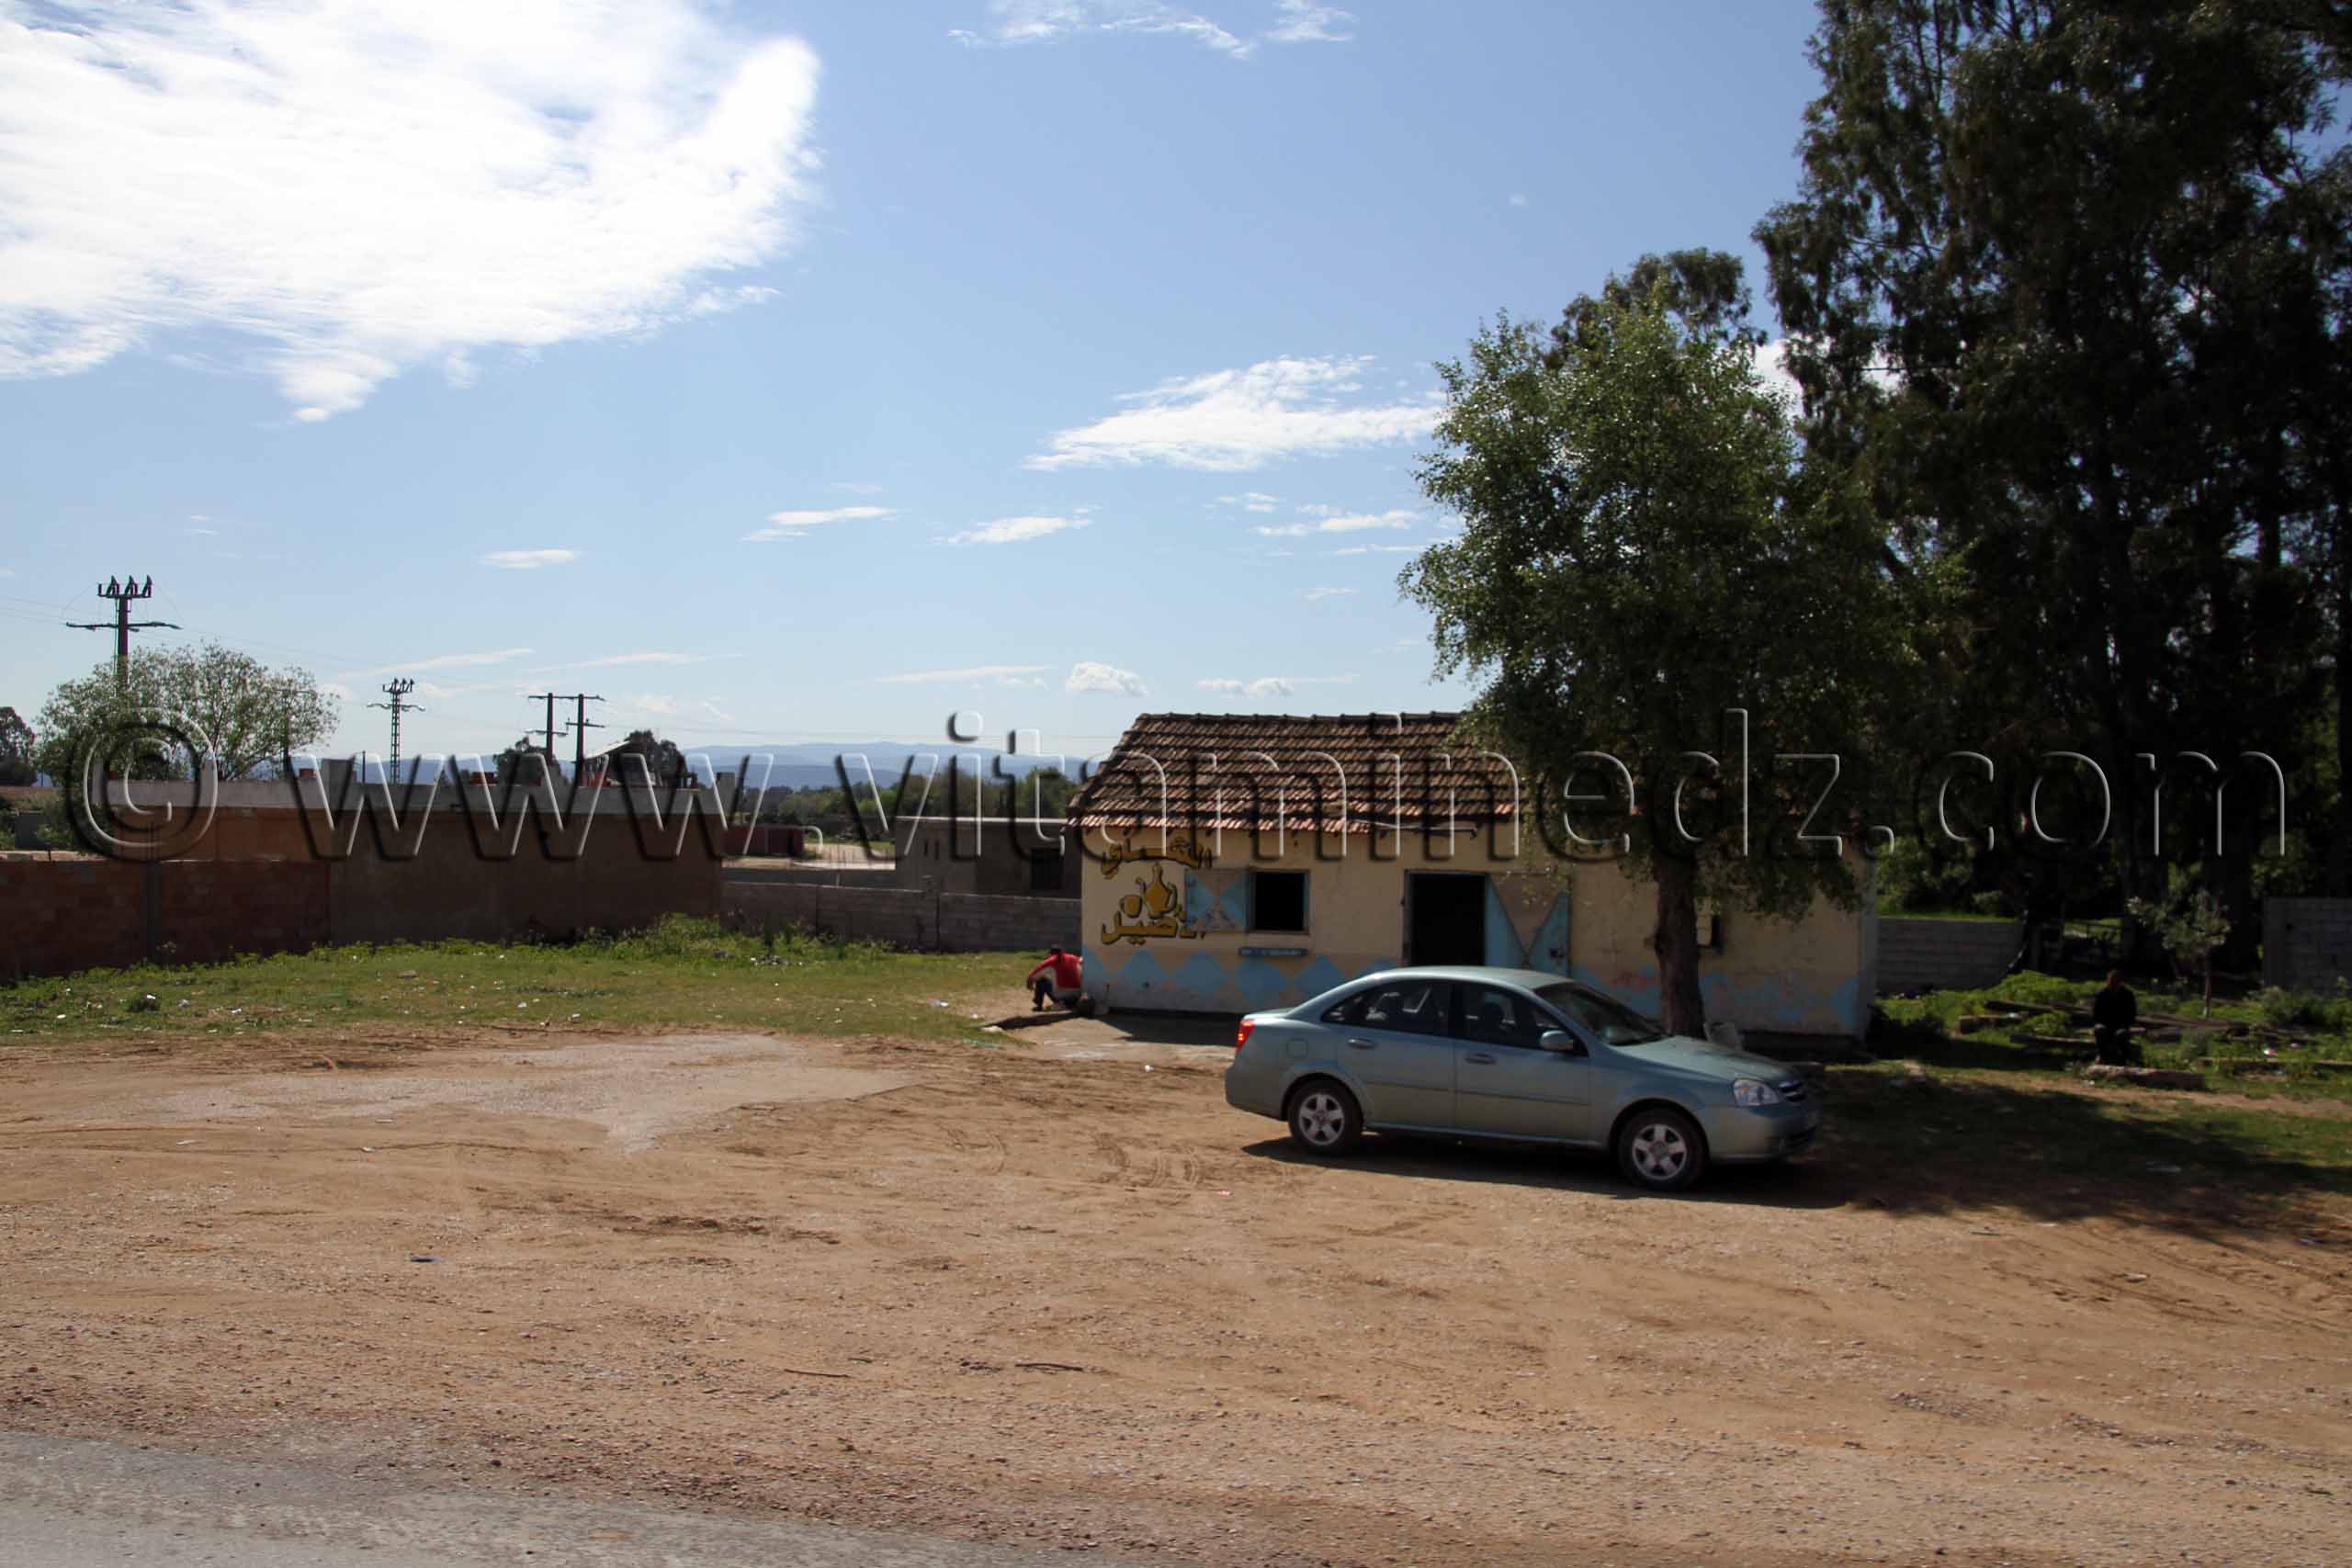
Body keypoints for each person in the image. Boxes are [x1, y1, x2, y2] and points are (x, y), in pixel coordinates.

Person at [2091, 970, 2139, 1065]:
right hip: (2105, 1025)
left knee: (2122, 1034)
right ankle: (2102, 1057)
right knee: (2099, 1030)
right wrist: (2099, 1023)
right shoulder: (2102, 994)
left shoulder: (2127, 995)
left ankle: (2122, 1061)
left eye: (2116, 981)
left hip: (2121, 1026)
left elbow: (2132, 1014)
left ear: (2120, 981)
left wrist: (2125, 1026)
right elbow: (2096, 1014)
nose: (2113, 983)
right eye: (2111, 980)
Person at [1027, 946, 1082, 1011]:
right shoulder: (1073, 958)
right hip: (1077, 995)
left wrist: (1029, 982)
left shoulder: (1052, 960)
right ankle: (1070, 1003)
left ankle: (1039, 1006)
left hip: (1061, 995)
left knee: (1041, 980)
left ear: (1051, 954)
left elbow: (1034, 974)